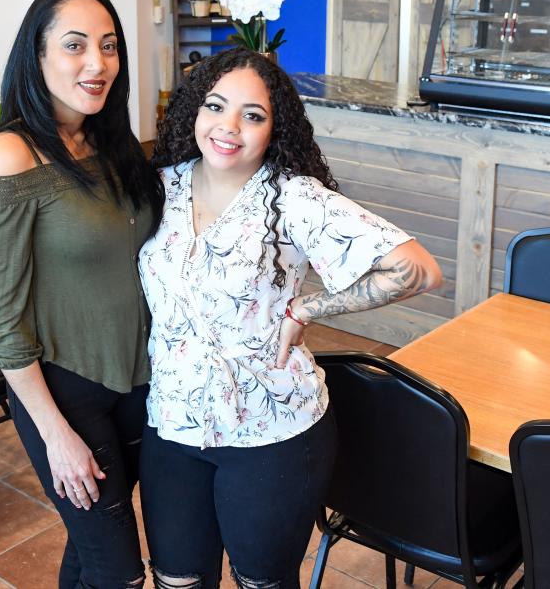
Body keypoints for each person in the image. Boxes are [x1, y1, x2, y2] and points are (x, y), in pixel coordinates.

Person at [138, 47, 442, 588]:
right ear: (194, 111)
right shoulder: (162, 185)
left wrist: (309, 306)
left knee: (263, 583)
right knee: (175, 578)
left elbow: (415, 269)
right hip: (174, 421)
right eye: (215, 106)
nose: (229, 127)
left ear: (274, 129)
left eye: (252, 115)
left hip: (271, 432)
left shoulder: (292, 197)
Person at [0, 0, 163, 588]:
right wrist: (56, 436)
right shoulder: (10, 156)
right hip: (66, 393)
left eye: (108, 47)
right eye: (74, 45)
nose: (96, 64)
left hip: (139, 381)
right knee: (121, 573)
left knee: (90, 552)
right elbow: (0, 324)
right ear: (38, 55)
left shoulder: (111, 143)